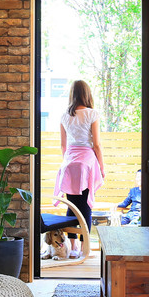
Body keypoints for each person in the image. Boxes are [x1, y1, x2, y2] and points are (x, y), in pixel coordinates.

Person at [53, 80, 106, 258]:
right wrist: (102, 167)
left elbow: (63, 146)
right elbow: (96, 145)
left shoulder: (64, 116)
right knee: (86, 207)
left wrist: (68, 163)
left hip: (69, 164)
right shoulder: (92, 113)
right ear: (87, 94)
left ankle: (74, 248)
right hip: (86, 163)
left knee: (72, 206)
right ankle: (85, 249)